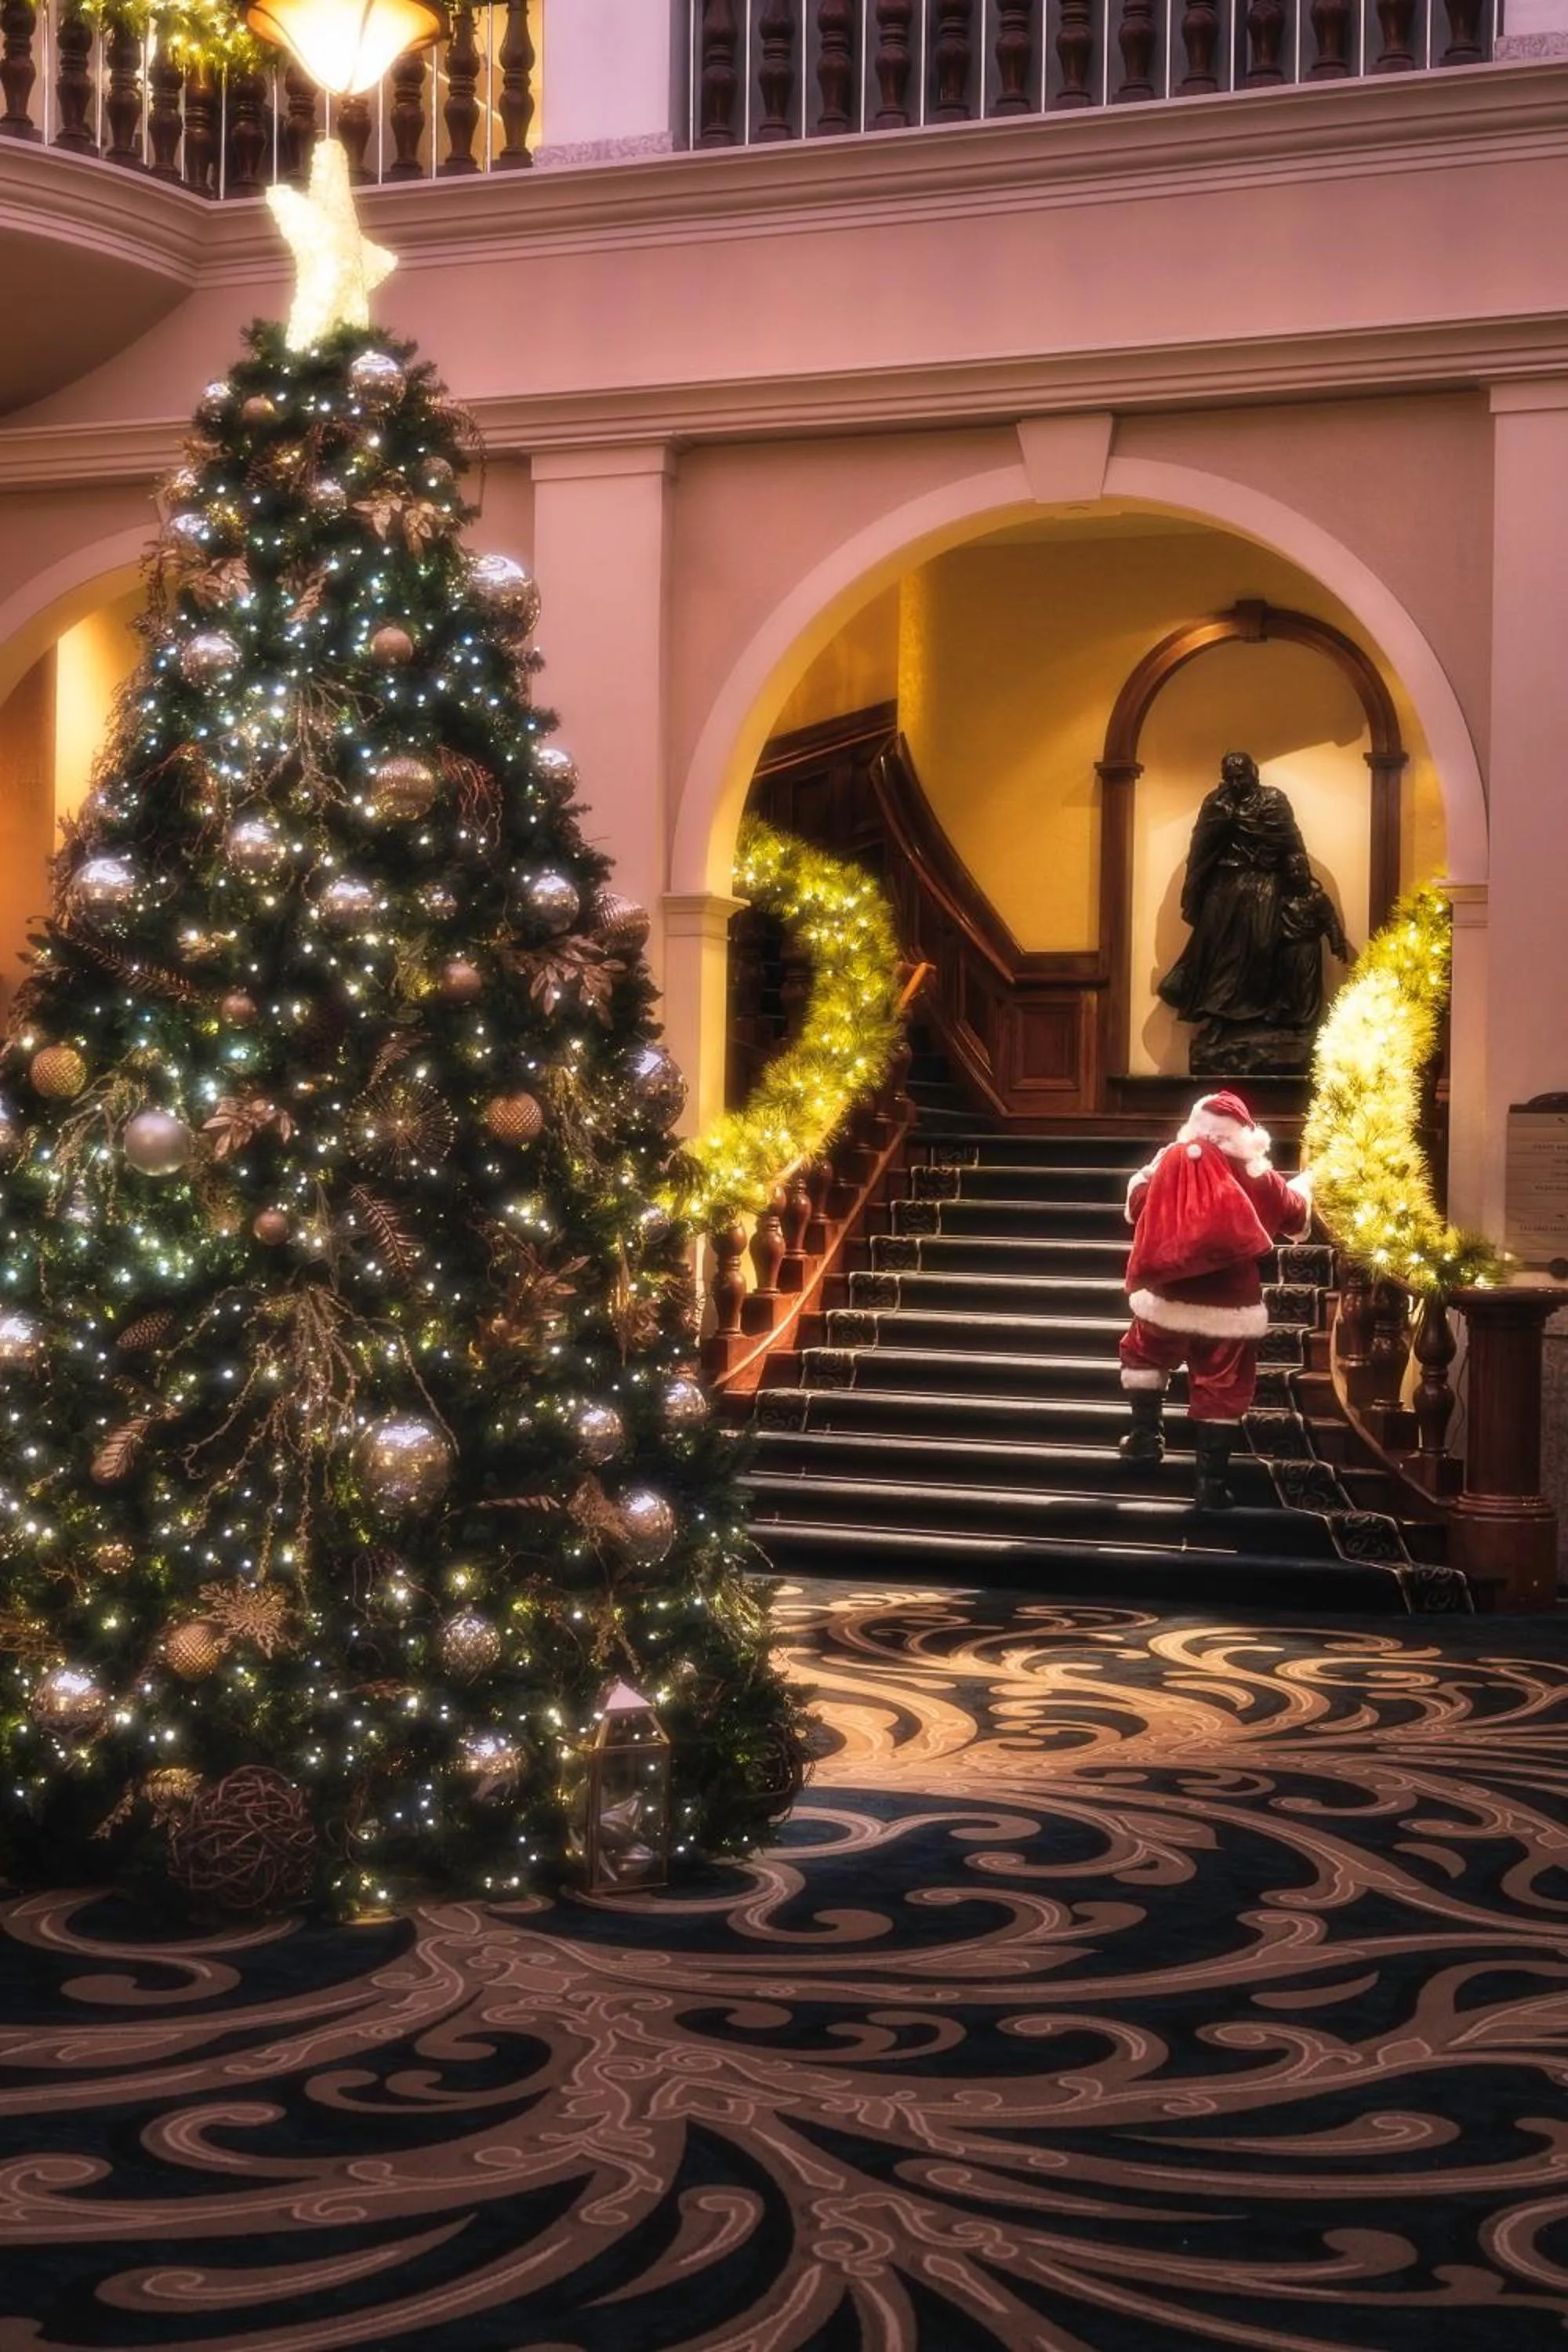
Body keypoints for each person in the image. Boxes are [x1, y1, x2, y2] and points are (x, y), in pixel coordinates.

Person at [1117, 1090, 1314, 1510]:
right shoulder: (1258, 1173)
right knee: (1222, 1384)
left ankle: (1145, 1439)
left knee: (1145, 1357)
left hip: (1165, 1297)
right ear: (1246, 1135)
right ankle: (1210, 1484)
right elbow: (1296, 1218)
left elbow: (1136, 1207)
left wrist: (1145, 1178)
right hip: (1229, 1308)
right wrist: (1306, 1186)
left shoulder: (1171, 1160)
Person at [1156, 752, 1308, 1073]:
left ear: (1255, 773)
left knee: (1262, 946)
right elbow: (1201, 847)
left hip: (1264, 883)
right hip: (1225, 883)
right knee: (1217, 951)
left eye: (1243, 776)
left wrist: (1300, 883)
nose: (1237, 782)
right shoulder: (1216, 804)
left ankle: (1258, 1018)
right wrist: (1195, 889)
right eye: (1231, 777)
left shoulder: (1273, 801)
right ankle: (1219, 1019)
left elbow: (1291, 843)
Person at [1276, 851, 1351, 1036]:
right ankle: (1288, 1019)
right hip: (1285, 949)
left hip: (1308, 948)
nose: (1295, 874)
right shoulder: (1282, 899)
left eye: (1299, 870)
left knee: (1308, 986)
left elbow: (1331, 922)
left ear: (1307, 871)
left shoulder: (1317, 899)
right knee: (1288, 986)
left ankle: (1306, 1021)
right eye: (1291, 871)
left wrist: (1338, 945)